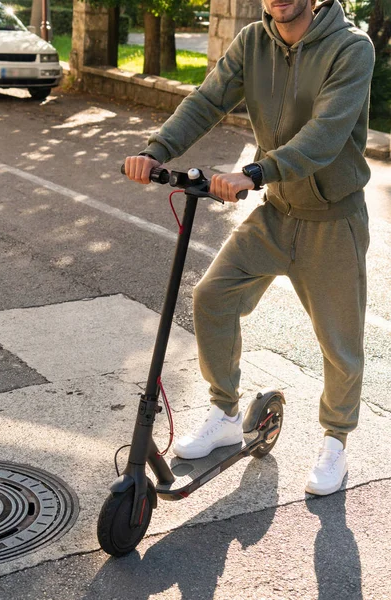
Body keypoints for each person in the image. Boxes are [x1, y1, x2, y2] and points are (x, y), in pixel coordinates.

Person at [125, 0, 375, 495]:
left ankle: (336, 442)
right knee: (211, 297)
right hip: (276, 213)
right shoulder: (253, 43)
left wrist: (254, 173)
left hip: (332, 219)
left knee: (339, 345)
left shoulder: (352, 48)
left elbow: (325, 134)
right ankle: (224, 411)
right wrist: (155, 150)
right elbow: (207, 100)